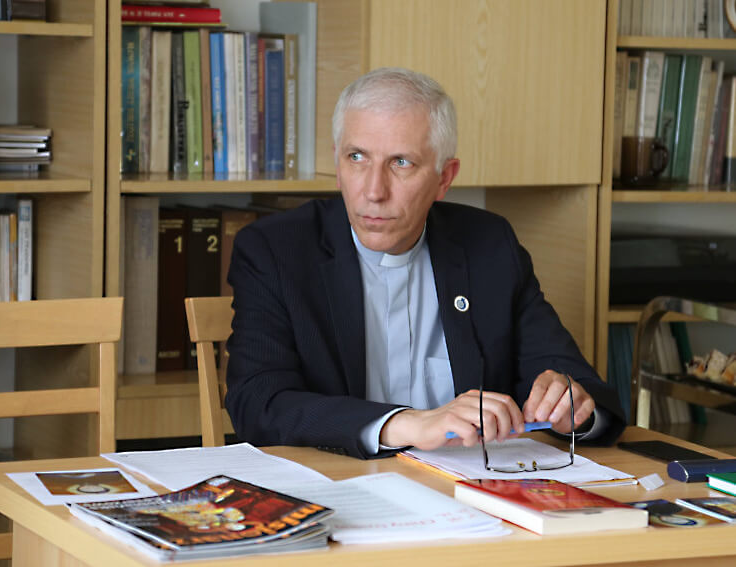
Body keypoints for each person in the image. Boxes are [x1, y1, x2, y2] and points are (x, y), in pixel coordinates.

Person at [225, 67, 625, 459]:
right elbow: (257, 402)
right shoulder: (275, 250)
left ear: (444, 178)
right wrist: (405, 424)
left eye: (401, 162)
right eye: (357, 157)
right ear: (337, 165)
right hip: (335, 482)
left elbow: (578, 383)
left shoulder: (489, 246)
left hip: (467, 488)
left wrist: (571, 405)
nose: (373, 191)